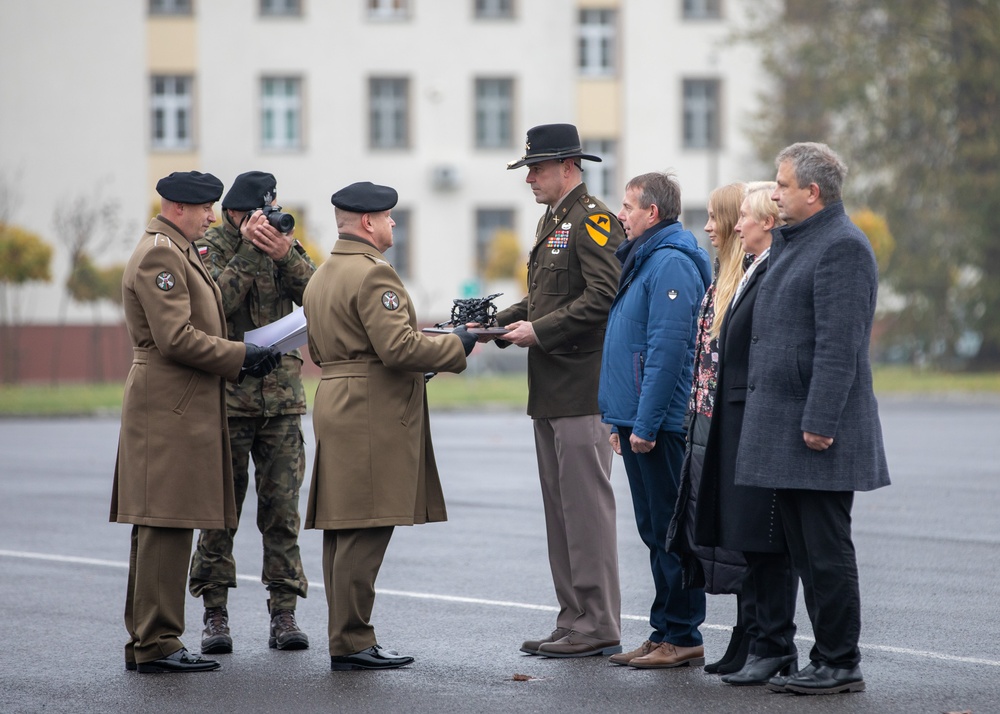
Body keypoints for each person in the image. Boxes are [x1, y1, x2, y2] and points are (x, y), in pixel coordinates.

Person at [301, 181, 477, 671]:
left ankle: (345, 635)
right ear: (367, 222)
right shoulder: (374, 275)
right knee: (366, 526)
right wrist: (456, 344)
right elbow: (398, 348)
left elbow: (324, 349)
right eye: (388, 217)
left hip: (337, 397)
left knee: (342, 526)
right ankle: (353, 639)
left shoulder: (321, 275)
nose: (393, 223)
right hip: (369, 409)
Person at [110, 171, 281, 674]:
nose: (212, 216)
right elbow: (176, 338)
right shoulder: (162, 253)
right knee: (164, 522)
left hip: (175, 401)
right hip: (168, 403)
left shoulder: (175, 248)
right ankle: (157, 642)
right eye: (206, 208)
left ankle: (151, 639)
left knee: (164, 522)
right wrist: (241, 354)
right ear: (179, 207)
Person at [737, 143, 890, 695]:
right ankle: (822, 658)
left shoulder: (842, 247)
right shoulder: (797, 241)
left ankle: (839, 661)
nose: (773, 193)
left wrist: (821, 419)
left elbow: (839, 346)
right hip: (787, 426)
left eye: (781, 185)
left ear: (812, 192)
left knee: (825, 552)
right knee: (804, 551)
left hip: (817, 430)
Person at [488, 123, 625, 659]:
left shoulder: (592, 219)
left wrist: (539, 331)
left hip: (581, 387)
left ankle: (599, 622)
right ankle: (574, 617)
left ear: (569, 167)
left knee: (586, 512)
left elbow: (601, 297)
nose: (530, 179)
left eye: (537, 169)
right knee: (561, 511)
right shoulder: (554, 220)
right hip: (551, 388)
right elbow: (543, 297)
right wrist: (495, 324)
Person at [188, 171, 315, 654]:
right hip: (228, 402)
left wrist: (286, 256)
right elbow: (212, 309)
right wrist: (247, 251)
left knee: (282, 513)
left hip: (281, 402)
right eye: (256, 215)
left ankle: (284, 613)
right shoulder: (209, 248)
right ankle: (214, 614)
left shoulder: (285, 243)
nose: (267, 222)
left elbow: (321, 298)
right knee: (219, 512)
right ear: (237, 214)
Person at [597, 172, 711, 669]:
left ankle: (683, 633)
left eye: (627, 207)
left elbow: (668, 353)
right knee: (651, 529)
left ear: (653, 213)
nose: (619, 215)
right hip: (637, 420)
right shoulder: (646, 259)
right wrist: (619, 419)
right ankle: (664, 629)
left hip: (660, 426)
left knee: (669, 530)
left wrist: (643, 424)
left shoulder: (670, 264)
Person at [695, 182, 800, 686]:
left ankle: (772, 644)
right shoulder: (754, 269)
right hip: (739, 415)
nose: (736, 227)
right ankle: (758, 639)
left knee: (767, 538)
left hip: (759, 415)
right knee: (748, 536)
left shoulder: (773, 269)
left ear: (769, 224)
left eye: (745, 219)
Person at [666, 182, 752, 676]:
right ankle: (748, 633)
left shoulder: (743, 280)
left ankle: (755, 634)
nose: (709, 227)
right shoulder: (721, 278)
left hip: (729, 425)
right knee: (716, 534)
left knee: (744, 540)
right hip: (704, 422)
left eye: (715, 217)